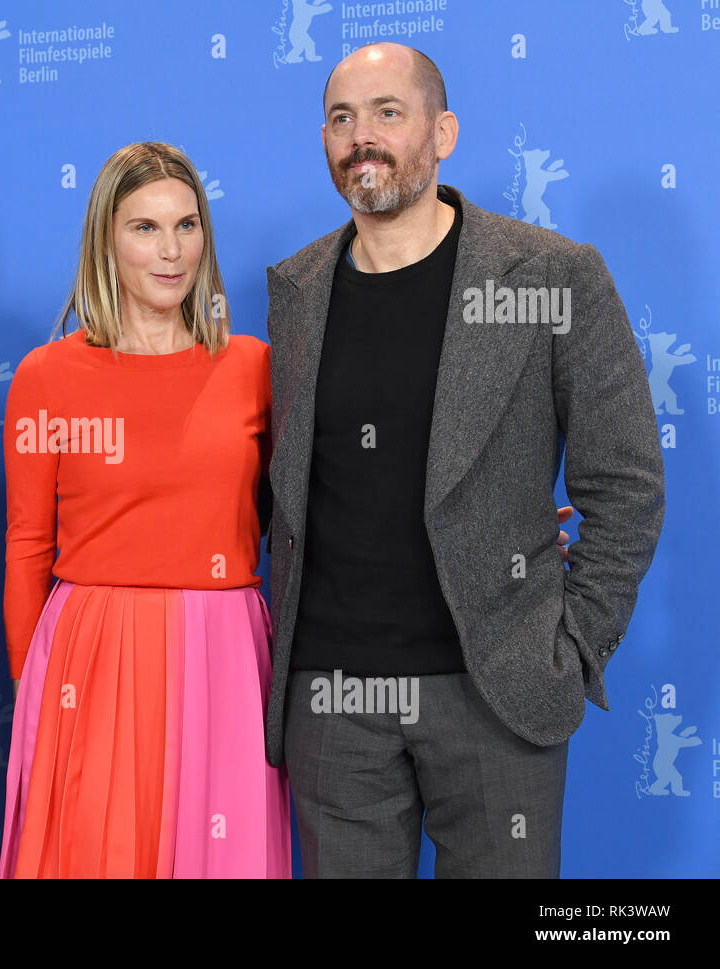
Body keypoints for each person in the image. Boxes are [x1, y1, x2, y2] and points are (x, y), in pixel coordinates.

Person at [264, 42, 665, 877]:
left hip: (495, 694)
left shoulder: (552, 275)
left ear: (442, 132)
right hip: (333, 704)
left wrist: (572, 642)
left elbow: (625, 483)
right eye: (341, 118)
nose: (360, 137)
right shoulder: (297, 289)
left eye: (386, 112)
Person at [0, 142, 290, 878]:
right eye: (145, 228)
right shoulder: (47, 375)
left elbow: (323, 510)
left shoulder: (255, 367)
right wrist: (36, 692)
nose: (172, 251)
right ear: (106, 238)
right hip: (89, 660)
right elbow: (28, 545)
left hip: (227, 654)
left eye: (187, 226)